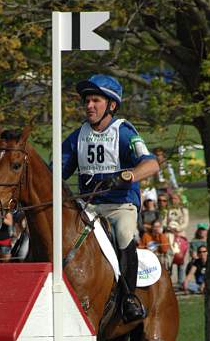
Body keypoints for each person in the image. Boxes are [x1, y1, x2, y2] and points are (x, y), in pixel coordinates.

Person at [61, 74, 159, 321]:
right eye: (87, 101)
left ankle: (129, 298)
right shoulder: (77, 136)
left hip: (120, 206)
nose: (89, 106)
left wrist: (128, 175)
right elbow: (56, 172)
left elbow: (151, 164)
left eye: (95, 100)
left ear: (111, 105)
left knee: (125, 233)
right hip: (89, 207)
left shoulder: (123, 132)